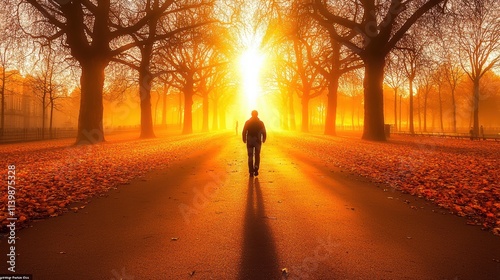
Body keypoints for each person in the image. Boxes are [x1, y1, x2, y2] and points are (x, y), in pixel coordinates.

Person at [242, 110, 266, 177]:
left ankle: (251, 171)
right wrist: (264, 138)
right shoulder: (260, 123)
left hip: (250, 141)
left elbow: (244, 131)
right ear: (257, 114)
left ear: (251, 114)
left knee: (250, 156)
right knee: (257, 155)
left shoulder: (248, 122)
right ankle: (256, 169)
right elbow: (264, 131)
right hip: (257, 141)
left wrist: (244, 138)